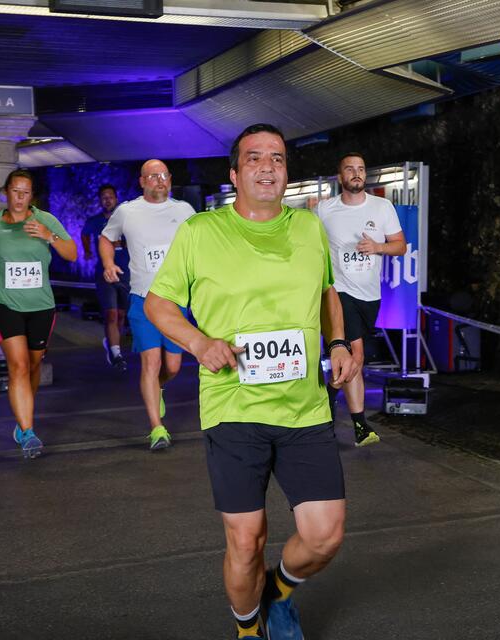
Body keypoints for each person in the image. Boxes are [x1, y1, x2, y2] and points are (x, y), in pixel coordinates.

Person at [145, 123, 358, 640]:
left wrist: (336, 343)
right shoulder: (200, 232)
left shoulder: (308, 228)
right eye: (256, 158)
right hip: (233, 403)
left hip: (304, 405)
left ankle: (278, 594)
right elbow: (158, 302)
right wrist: (198, 344)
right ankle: (247, 629)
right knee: (246, 542)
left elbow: (328, 291)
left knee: (325, 537)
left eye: (279, 159)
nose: (268, 167)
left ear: (287, 172)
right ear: (235, 173)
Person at [0, 169, 77, 459]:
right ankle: (28, 433)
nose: (19, 197)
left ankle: (23, 419)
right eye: (15, 191)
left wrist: (49, 235)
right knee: (17, 366)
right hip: (3, 303)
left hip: (41, 305)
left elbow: (72, 253)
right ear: (7, 192)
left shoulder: (45, 220)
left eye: (25, 192)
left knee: (32, 367)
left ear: (32, 195)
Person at [100, 160, 195, 451]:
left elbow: (200, 244)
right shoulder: (127, 212)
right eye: (153, 176)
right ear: (142, 181)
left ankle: (160, 387)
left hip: (176, 301)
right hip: (143, 299)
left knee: (174, 366)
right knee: (151, 363)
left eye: (164, 175)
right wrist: (108, 263)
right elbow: (106, 238)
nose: (160, 180)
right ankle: (157, 428)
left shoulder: (184, 211)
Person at [317, 152, 406, 447]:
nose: (356, 173)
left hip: (369, 295)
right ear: (340, 177)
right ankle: (360, 426)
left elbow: (401, 246)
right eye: (349, 169)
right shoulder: (324, 210)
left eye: (361, 169)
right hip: (337, 292)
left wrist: (378, 246)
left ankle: (327, 394)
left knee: (356, 358)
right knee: (355, 354)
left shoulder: (382, 207)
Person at [81, 184, 129, 371]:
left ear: (116, 199)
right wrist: (87, 251)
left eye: (110, 196)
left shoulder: (126, 220)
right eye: (104, 197)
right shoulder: (95, 221)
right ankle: (116, 354)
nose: (107, 200)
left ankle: (111, 341)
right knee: (111, 314)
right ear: (100, 201)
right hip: (104, 273)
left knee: (121, 315)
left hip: (125, 272)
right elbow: (84, 234)